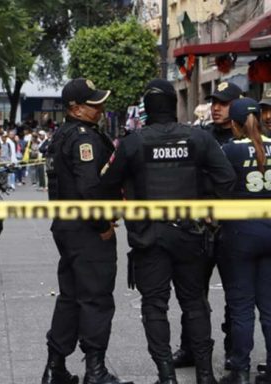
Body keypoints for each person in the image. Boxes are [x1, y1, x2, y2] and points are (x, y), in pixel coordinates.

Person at [102, 79, 236, 384]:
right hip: (191, 233)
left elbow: (108, 184)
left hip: (149, 237)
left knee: (155, 305)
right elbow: (226, 178)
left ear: (147, 109)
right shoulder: (198, 139)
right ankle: (205, 375)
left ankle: (167, 375)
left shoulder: (133, 143)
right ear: (174, 106)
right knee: (195, 302)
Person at [42, 78, 131, 384]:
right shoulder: (84, 139)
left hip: (66, 228)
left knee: (71, 297)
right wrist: (103, 224)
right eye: (93, 105)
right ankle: (95, 370)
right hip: (86, 231)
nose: (100, 108)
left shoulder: (63, 134)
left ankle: (56, 367)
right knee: (95, 298)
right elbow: (89, 189)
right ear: (75, 109)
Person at [173, 81, 243, 370]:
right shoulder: (201, 136)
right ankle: (190, 347)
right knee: (193, 292)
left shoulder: (250, 139)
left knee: (235, 295)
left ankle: (233, 349)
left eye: (223, 103)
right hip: (201, 226)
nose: (216, 108)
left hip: (233, 227)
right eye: (214, 102)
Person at [217, 98, 271, 384]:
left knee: (240, 305)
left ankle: (239, 369)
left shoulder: (228, 150)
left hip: (240, 234)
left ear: (235, 124)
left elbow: (217, 189)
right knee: (269, 306)